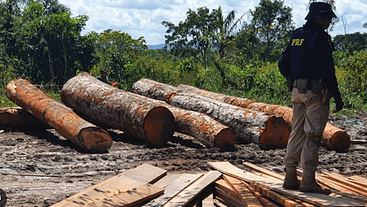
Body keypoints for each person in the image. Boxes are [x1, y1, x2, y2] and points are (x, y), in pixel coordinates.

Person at [278, 2, 344, 195]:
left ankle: (290, 176)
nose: (328, 24)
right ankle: (308, 180)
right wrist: (336, 96)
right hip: (315, 93)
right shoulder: (321, 38)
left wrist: (293, 79)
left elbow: (282, 63)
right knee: (312, 135)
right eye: (328, 20)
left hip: (297, 91)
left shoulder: (297, 35)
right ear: (320, 18)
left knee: (296, 133)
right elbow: (327, 70)